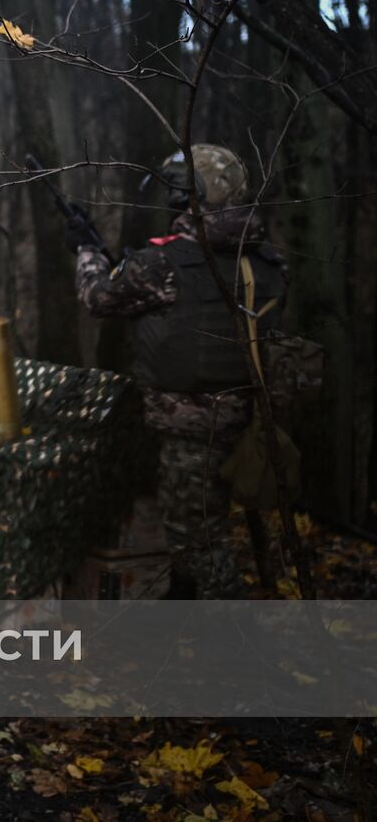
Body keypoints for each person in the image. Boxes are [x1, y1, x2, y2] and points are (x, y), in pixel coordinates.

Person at [71, 144, 287, 595]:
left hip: (192, 429)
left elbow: (98, 297)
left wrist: (87, 252)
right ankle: (186, 610)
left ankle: (244, 650)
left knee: (196, 542)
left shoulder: (166, 263)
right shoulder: (266, 260)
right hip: (253, 422)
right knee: (210, 528)